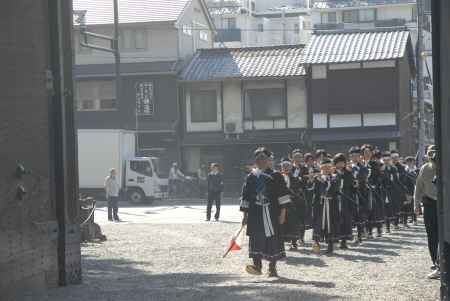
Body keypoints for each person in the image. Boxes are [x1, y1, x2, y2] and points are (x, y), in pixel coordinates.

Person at [240, 147, 291, 277]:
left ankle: (272, 267)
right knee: (256, 238)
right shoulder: (251, 177)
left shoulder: (276, 176)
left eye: (263, 158)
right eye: (258, 159)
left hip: (272, 212)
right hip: (255, 213)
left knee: (272, 238)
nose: (260, 161)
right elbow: (245, 196)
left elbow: (283, 194)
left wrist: (283, 213)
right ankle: (257, 266)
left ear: (269, 160)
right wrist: (245, 215)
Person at [415, 145, 439, 279]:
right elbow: (418, 187)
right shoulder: (425, 168)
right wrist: (416, 204)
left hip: (444, 205)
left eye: (436, 153)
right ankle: (436, 262)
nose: (434, 156)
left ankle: (442, 262)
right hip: (429, 204)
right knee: (432, 235)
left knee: (444, 235)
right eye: (431, 153)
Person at [311, 157, 340, 254]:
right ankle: (316, 243)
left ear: (331, 168)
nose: (326, 169)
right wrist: (317, 181)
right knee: (318, 222)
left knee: (330, 223)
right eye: (324, 167)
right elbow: (314, 191)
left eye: (328, 167)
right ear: (321, 168)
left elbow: (336, 189)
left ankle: (330, 243)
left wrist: (328, 183)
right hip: (320, 204)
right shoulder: (317, 178)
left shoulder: (335, 177)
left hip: (331, 204)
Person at [280, 158, 303, 250]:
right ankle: (280, 242)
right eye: (284, 166)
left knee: (293, 222)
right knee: (281, 222)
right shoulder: (278, 177)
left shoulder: (294, 178)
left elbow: (297, 189)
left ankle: (294, 242)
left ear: (290, 167)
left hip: (292, 202)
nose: (286, 168)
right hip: (281, 203)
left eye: (288, 166)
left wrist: (293, 195)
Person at [334, 153, 354, 250]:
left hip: (345, 198)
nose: (340, 164)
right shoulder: (332, 172)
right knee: (335, 219)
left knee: (346, 219)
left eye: (342, 162)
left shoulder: (348, 173)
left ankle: (344, 240)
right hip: (334, 199)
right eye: (338, 162)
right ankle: (334, 239)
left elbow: (351, 184)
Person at [350, 146, 370, 244]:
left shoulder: (363, 168)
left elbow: (365, 177)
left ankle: (359, 235)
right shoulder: (348, 167)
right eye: (353, 156)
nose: (355, 158)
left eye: (357, 156)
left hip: (360, 192)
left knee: (359, 214)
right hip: (349, 193)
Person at [403, 156, 418, 226]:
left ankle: (415, 219)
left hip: (415, 190)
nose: (410, 163)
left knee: (414, 205)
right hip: (407, 190)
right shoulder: (405, 170)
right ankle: (405, 221)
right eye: (408, 162)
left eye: (411, 162)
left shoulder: (417, 170)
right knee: (406, 205)